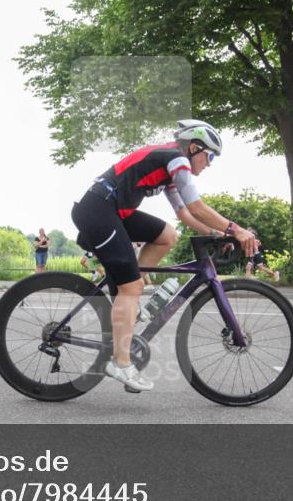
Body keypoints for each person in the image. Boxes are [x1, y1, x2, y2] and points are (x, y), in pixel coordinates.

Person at [71, 119, 257, 393]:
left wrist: (217, 235)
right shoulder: (177, 160)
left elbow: (185, 213)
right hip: (98, 211)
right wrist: (235, 229)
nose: (210, 164)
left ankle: (128, 296)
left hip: (112, 211)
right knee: (131, 286)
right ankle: (120, 362)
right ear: (194, 147)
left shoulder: (170, 165)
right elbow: (197, 205)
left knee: (168, 235)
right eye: (210, 156)